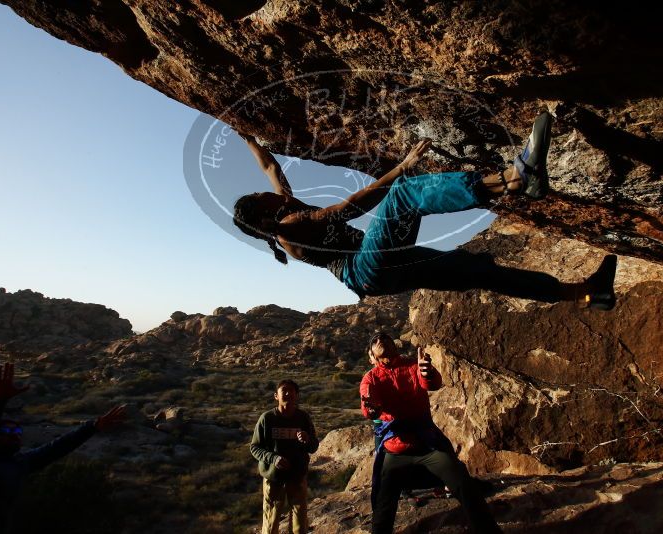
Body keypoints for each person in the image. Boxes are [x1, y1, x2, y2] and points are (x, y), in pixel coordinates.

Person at [234, 112, 618, 310]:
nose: (268, 192)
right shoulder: (289, 229)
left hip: (385, 269)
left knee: (476, 271)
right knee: (401, 195)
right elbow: (349, 208)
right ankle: (511, 181)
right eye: (261, 196)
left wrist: (246, 135)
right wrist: (400, 167)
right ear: (264, 216)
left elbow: (271, 169)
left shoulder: (284, 211)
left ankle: (587, 295)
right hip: (367, 270)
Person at [360, 332, 502, 534]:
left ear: (396, 346)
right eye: (374, 341)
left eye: (385, 338)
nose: (380, 340)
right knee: (383, 502)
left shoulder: (412, 365)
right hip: (395, 447)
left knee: (462, 482)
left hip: (426, 443)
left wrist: (427, 373)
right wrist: (372, 407)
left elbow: (431, 383)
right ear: (371, 356)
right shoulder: (370, 378)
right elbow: (368, 403)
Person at [0, 362, 127, 534]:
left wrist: (93, 426)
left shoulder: (20, 463)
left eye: (17, 430)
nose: (13, 434)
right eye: (6, 430)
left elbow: (56, 448)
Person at [250, 379, 319, 534]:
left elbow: (314, 446)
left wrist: (308, 439)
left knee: (300, 521)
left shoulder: (303, 418)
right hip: (274, 477)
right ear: (276, 396)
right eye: (284, 391)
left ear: (297, 395)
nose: (288, 394)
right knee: (270, 521)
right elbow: (254, 447)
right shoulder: (267, 419)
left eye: (291, 391)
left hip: (297, 476)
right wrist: (273, 459)